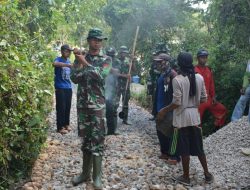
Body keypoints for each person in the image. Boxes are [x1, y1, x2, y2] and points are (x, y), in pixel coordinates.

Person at [157, 52, 214, 186]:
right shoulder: (199, 77)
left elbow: (176, 102)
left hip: (182, 117)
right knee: (199, 146)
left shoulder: (177, 80)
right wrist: (193, 104)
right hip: (195, 116)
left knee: (184, 148)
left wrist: (163, 110)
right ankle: (207, 174)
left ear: (180, 64)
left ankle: (186, 177)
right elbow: (204, 98)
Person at [70, 28, 111, 189]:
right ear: (89, 41)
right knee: (86, 139)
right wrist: (78, 61)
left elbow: (101, 75)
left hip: (97, 107)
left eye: (100, 40)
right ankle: (85, 173)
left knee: (98, 139)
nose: (98, 42)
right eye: (95, 39)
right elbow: (75, 78)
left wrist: (84, 63)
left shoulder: (106, 59)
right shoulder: (81, 57)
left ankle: (97, 177)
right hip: (83, 105)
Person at [153, 53, 180, 164]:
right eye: (157, 62)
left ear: (167, 62)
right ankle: (165, 152)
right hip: (160, 107)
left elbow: (177, 95)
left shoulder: (173, 75)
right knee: (160, 130)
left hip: (169, 109)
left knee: (171, 131)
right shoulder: (161, 75)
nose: (158, 64)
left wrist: (167, 109)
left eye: (160, 62)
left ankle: (175, 156)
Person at [194, 49, 227, 129]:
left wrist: (214, 96)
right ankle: (197, 138)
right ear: (198, 58)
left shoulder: (208, 70)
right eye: (202, 57)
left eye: (205, 57)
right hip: (198, 100)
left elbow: (211, 84)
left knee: (222, 109)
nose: (204, 59)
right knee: (196, 121)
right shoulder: (193, 70)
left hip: (209, 99)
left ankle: (216, 130)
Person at [52, 44, 73, 134]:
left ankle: (66, 124)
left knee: (67, 107)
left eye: (69, 51)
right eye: (66, 51)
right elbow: (54, 64)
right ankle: (59, 127)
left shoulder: (69, 61)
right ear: (62, 51)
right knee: (61, 107)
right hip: (60, 87)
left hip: (68, 87)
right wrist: (67, 65)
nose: (68, 53)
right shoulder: (58, 59)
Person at [149, 43, 170, 121]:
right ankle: (155, 114)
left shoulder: (168, 63)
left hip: (164, 84)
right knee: (155, 98)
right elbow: (151, 72)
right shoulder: (156, 62)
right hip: (156, 82)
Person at [117, 45, 135, 125]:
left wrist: (133, 61)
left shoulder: (128, 61)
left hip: (125, 85)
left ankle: (125, 119)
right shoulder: (116, 61)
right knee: (115, 102)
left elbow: (134, 70)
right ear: (120, 53)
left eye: (125, 53)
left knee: (125, 102)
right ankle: (112, 119)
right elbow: (113, 73)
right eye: (123, 53)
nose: (124, 54)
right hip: (117, 84)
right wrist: (124, 76)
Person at [105, 47, 121, 135]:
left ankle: (113, 130)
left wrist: (107, 68)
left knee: (113, 109)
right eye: (109, 55)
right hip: (103, 87)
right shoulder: (104, 59)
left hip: (113, 87)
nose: (110, 57)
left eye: (112, 55)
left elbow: (117, 71)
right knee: (103, 109)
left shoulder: (117, 62)